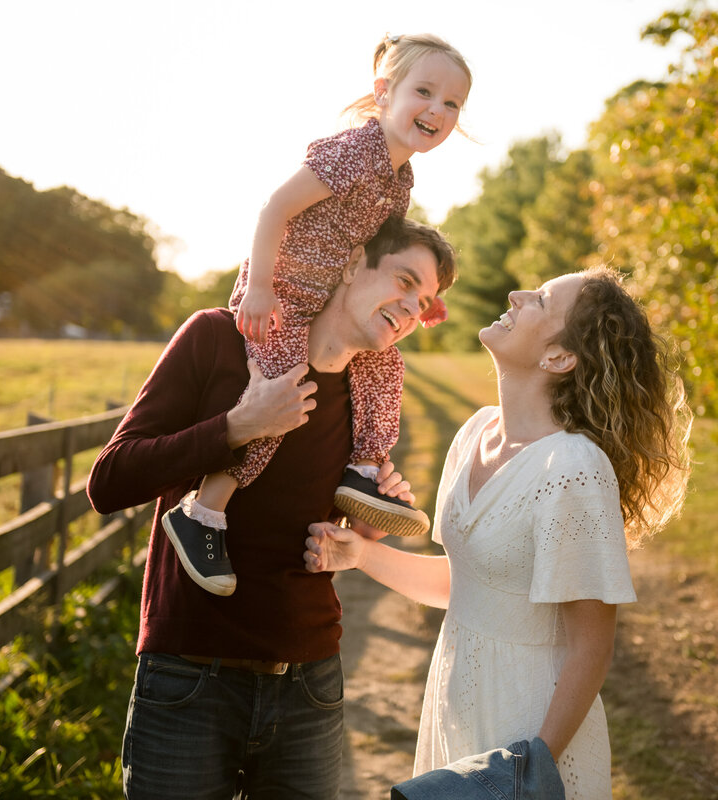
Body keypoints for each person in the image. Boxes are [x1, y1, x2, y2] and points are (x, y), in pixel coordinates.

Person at [87, 215, 457, 800]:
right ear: (351, 260)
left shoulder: (370, 388)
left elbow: (329, 530)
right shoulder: (218, 337)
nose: (413, 307)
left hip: (310, 681)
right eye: (405, 281)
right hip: (189, 674)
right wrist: (237, 426)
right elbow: (108, 483)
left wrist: (366, 523)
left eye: (426, 300)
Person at [304, 267, 693, 799]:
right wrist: (362, 556)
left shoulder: (573, 466)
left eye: (539, 300)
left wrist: (528, 769)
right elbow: (467, 585)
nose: (514, 293)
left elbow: (591, 646)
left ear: (558, 358)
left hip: (527, 731)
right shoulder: (475, 433)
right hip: (454, 702)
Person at [161, 33, 473, 597]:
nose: (438, 110)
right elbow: (275, 208)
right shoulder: (356, 149)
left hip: (319, 307)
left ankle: (363, 469)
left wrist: (424, 294)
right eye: (424, 92)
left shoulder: (400, 177)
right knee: (283, 399)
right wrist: (258, 288)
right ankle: (204, 511)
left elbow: (380, 248)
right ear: (384, 93)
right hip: (279, 302)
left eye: (452, 103)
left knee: (384, 367)